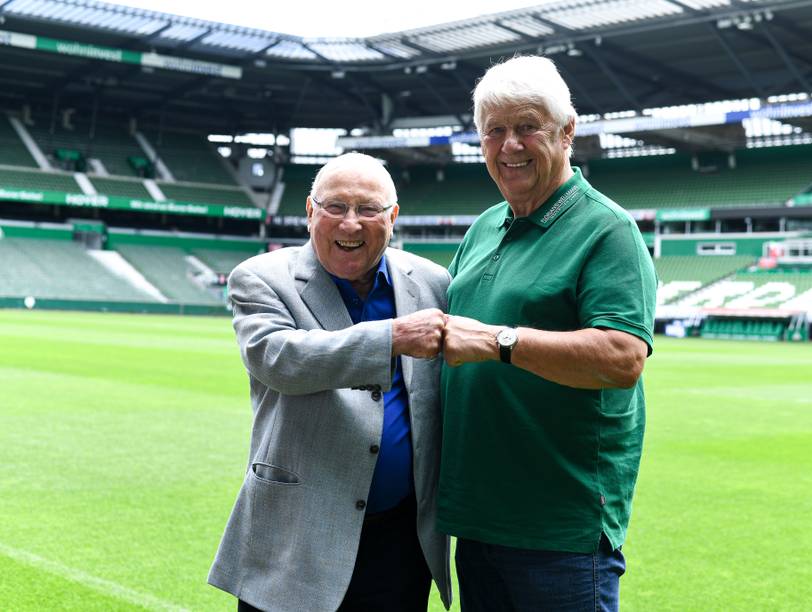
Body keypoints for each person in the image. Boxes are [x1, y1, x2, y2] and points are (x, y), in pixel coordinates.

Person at [438, 56, 657, 611]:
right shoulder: (484, 226)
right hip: (477, 521)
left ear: (567, 132)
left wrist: (499, 342)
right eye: (494, 131)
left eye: (527, 127)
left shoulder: (607, 229)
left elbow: (622, 356)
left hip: (560, 532)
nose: (509, 145)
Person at [208, 152, 452, 612]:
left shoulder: (432, 281)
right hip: (296, 537)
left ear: (393, 217)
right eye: (335, 207)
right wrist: (392, 338)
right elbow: (280, 359)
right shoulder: (260, 277)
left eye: (368, 209)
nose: (350, 223)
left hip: (400, 542)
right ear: (310, 211)